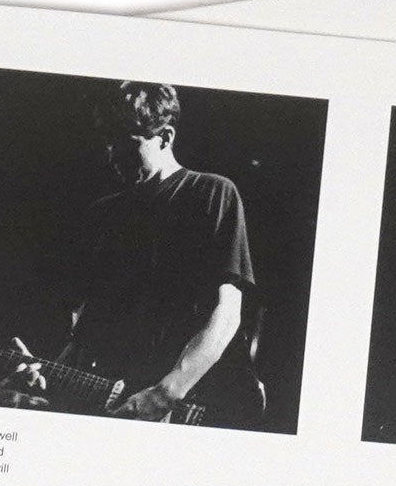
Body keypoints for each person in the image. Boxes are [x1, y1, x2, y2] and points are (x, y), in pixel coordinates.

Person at [61, 81, 255, 422]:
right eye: (108, 142)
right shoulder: (104, 214)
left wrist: (166, 394)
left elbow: (226, 314)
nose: (112, 155)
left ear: (165, 137)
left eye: (126, 143)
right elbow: (87, 327)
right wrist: (53, 375)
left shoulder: (211, 193)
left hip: (190, 405)